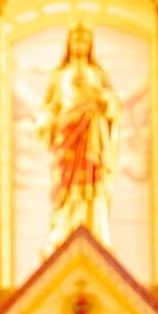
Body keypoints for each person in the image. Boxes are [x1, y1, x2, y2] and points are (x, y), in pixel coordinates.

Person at [37, 25, 121, 257]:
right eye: (76, 40)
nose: (80, 44)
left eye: (85, 40)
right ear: (69, 44)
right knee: (67, 186)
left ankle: (96, 234)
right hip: (68, 137)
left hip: (92, 139)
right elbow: (49, 106)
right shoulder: (59, 76)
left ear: (91, 45)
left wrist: (99, 96)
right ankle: (63, 233)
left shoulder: (99, 75)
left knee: (93, 186)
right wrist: (45, 120)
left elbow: (113, 104)